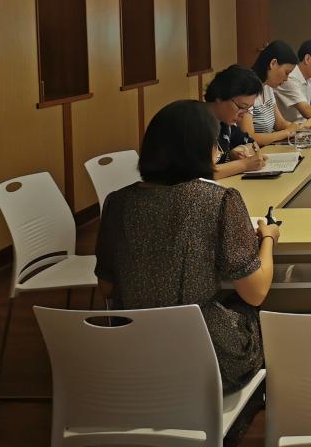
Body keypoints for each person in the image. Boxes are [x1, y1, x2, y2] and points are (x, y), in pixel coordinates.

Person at [94, 100, 278, 392]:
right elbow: (255, 293)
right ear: (204, 149)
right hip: (203, 356)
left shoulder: (117, 202)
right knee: (255, 312)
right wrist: (268, 238)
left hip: (132, 354)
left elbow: (106, 287)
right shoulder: (219, 200)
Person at [238, 40, 308, 147]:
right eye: (286, 73)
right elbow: (249, 137)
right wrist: (286, 133)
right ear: (273, 63)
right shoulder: (247, 89)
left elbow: (280, 124)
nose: (286, 79)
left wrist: (305, 130)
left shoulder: (267, 87)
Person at [203, 64, 268, 179]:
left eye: (248, 109)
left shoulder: (223, 123)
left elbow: (251, 142)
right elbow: (201, 172)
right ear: (220, 97)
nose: (243, 114)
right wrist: (244, 165)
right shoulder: (194, 122)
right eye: (241, 107)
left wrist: (236, 153)